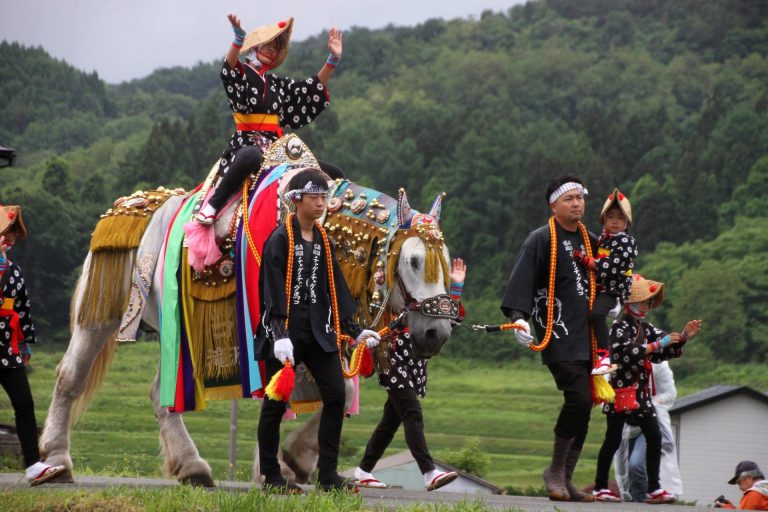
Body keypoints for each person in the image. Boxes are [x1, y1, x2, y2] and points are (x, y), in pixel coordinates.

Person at [255, 168, 380, 493]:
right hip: (284, 335)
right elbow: (271, 290)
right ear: (297, 201)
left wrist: (355, 330)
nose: (321, 203)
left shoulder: (324, 240)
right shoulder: (279, 240)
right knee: (273, 404)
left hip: (319, 332)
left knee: (337, 395)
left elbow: (336, 288)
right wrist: (279, 333)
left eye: (324, 197)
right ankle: (271, 476)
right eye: (314, 197)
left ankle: (328, 475)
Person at [500, 174, 597, 502]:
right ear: (553, 204)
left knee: (586, 404)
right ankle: (556, 469)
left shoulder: (591, 240)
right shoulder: (541, 239)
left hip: (591, 337)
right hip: (558, 331)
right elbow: (522, 281)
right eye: (568, 199)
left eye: (579, 198)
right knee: (579, 398)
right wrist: (518, 319)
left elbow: (609, 278)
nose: (576, 204)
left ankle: (566, 479)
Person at [195, 14, 345, 225]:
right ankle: (213, 204)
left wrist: (332, 60)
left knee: (333, 172)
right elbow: (229, 70)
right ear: (255, 46)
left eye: (275, 47)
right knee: (251, 157)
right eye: (266, 44)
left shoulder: (276, 83)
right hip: (246, 143)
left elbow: (309, 88)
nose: (271, 49)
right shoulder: (243, 74)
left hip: (277, 149)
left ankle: (337, 216)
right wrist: (238, 39)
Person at [352, 258, 467, 492]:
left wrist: (456, 287)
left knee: (391, 421)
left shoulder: (426, 292)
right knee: (412, 412)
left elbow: (447, 320)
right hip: (391, 355)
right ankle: (429, 471)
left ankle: (364, 470)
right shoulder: (389, 288)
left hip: (415, 359)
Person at [591, 275, 702, 504]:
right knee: (612, 439)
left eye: (648, 303)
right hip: (620, 389)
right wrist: (655, 346)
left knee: (654, 436)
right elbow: (622, 353)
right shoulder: (619, 327)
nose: (647, 307)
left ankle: (654, 488)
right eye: (643, 302)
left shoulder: (645, 327)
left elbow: (663, 349)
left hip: (640, 393)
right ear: (630, 303)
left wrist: (682, 337)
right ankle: (600, 486)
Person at [0, 205, 66, 486]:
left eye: (12, 234)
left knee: (24, 405)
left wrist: (24, 346)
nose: (9, 239)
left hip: (8, 350)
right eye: (4, 232)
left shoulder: (14, 272)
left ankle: (32, 465)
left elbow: (23, 310)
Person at [572, 188, 637, 350]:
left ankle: (606, 350)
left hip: (614, 288)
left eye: (620, 218)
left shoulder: (625, 241)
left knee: (596, 315)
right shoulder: (602, 239)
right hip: (601, 285)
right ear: (603, 220)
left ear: (626, 223)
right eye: (610, 217)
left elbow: (613, 265)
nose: (615, 221)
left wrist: (587, 261)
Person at [613, 360, 683, 502]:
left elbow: (670, 393)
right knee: (626, 471)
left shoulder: (659, 364)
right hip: (628, 423)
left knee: (635, 465)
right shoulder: (622, 358)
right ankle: (635, 500)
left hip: (649, 421)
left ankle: (642, 502)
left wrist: (651, 403)